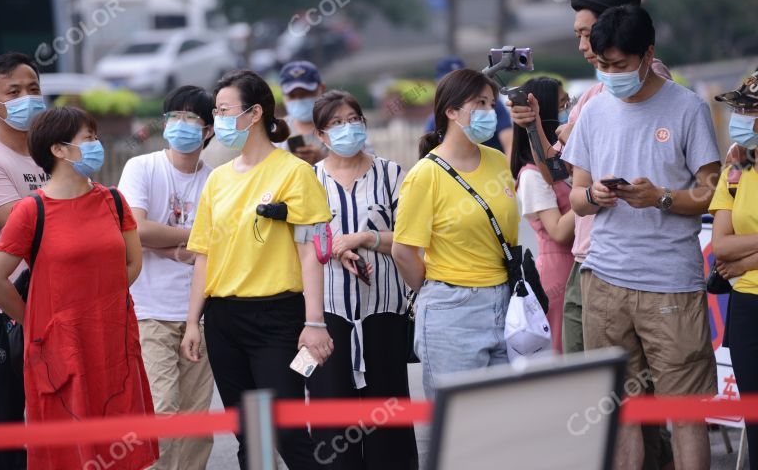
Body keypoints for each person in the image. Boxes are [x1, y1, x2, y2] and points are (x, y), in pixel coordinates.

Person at [562, 5, 720, 470]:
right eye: (602, 66)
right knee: (620, 412)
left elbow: (711, 192)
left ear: (648, 54)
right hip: (604, 280)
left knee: (685, 412)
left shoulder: (687, 106)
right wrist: (595, 195)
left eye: (618, 65)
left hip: (670, 282)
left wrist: (663, 198)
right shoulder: (593, 112)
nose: (609, 74)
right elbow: (574, 198)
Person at [0, 106, 158, 469]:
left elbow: (132, 263)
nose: (96, 145)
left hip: (113, 341)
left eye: (96, 137)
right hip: (59, 349)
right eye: (89, 138)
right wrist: (33, 322)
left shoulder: (113, 200)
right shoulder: (31, 210)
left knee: (120, 449)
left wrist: (102, 303)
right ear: (58, 149)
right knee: (67, 453)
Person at [180, 70, 333, 470]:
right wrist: (193, 321)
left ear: (254, 114)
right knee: (249, 435)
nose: (218, 120)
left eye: (225, 110)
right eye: (215, 111)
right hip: (224, 319)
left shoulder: (294, 172)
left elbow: (311, 251)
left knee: (285, 429)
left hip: (277, 317)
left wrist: (313, 322)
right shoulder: (217, 180)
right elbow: (204, 255)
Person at [392, 69, 520, 399]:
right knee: (458, 429)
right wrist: (438, 291)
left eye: (492, 104)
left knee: (503, 419)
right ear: (450, 110)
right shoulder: (425, 175)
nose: (489, 112)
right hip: (451, 312)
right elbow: (404, 251)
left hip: (504, 304)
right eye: (479, 103)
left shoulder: (497, 161)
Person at [306, 90, 418, 469]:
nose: (347, 128)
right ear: (321, 135)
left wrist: (364, 238)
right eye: (335, 123)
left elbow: (409, 238)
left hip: (383, 310)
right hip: (327, 313)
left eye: (353, 120)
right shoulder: (308, 180)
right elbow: (301, 241)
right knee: (330, 415)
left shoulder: (390, 174)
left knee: (388, 411)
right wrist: (335, 247)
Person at [118, 86, 216, 470]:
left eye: (191, 118)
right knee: (161, 413)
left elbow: (219, 246)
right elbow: (137, 230)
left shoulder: (216, 180)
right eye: (175, 116)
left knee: (195, 422)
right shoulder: (141, 167)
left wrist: (168, 243)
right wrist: (191, 241)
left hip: (200, 313)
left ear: (208, 130)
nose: (181, 125)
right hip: (149, 311)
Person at [0, 52, 48, 469]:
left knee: (51, 426)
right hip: (3, 312)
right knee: (6, 429)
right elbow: (21, 226)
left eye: (33, 90)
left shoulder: (51, 157)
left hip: (52, 309)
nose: (27, 98)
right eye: (14, 92)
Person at [710, 72, 758, 470]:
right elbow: (721, 244)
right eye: (738, 108)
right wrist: (742, 261)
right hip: (747, 308)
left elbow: (732, 253)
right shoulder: (736, 169)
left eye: (749, 109)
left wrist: (743, 261)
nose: (739, 117)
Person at [510, 77, 575, 354]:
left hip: (577, 262)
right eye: (562, 105)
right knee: (564, 352)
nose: (568, 111)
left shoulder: (563, 161)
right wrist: (591, 195)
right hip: (558, 271)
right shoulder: (531, 175)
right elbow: (558, 230)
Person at [425, 56, 514, 154]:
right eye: (449, 81)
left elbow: (509, 143)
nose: (489, 110)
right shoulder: (434, 121)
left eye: (460, 81)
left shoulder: (495, 106)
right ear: (451, 112)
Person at [278, 60, 329, 164]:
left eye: (306, 93)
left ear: (322, 89)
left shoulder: (341, 126)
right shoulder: (276, 132)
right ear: (283, 96)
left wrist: (324, 161)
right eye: (292, 95)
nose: (299, 100)